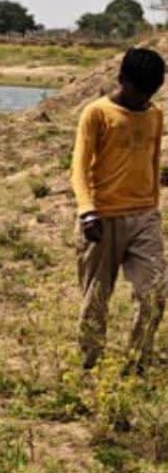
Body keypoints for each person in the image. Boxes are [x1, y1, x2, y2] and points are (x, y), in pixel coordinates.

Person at [71, 47, 166, 373]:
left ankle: (137, 364)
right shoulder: (96, 113)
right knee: (96, 300)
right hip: (101, 218)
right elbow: (79, 168)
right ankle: (88, 368)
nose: (143, 99)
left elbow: (153, 164)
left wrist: (154, 208)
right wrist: (87, 211)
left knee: (154, 294)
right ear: (121, 80)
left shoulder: (155, 115)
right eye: (139, 91)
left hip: (144, 217)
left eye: (151, 92)